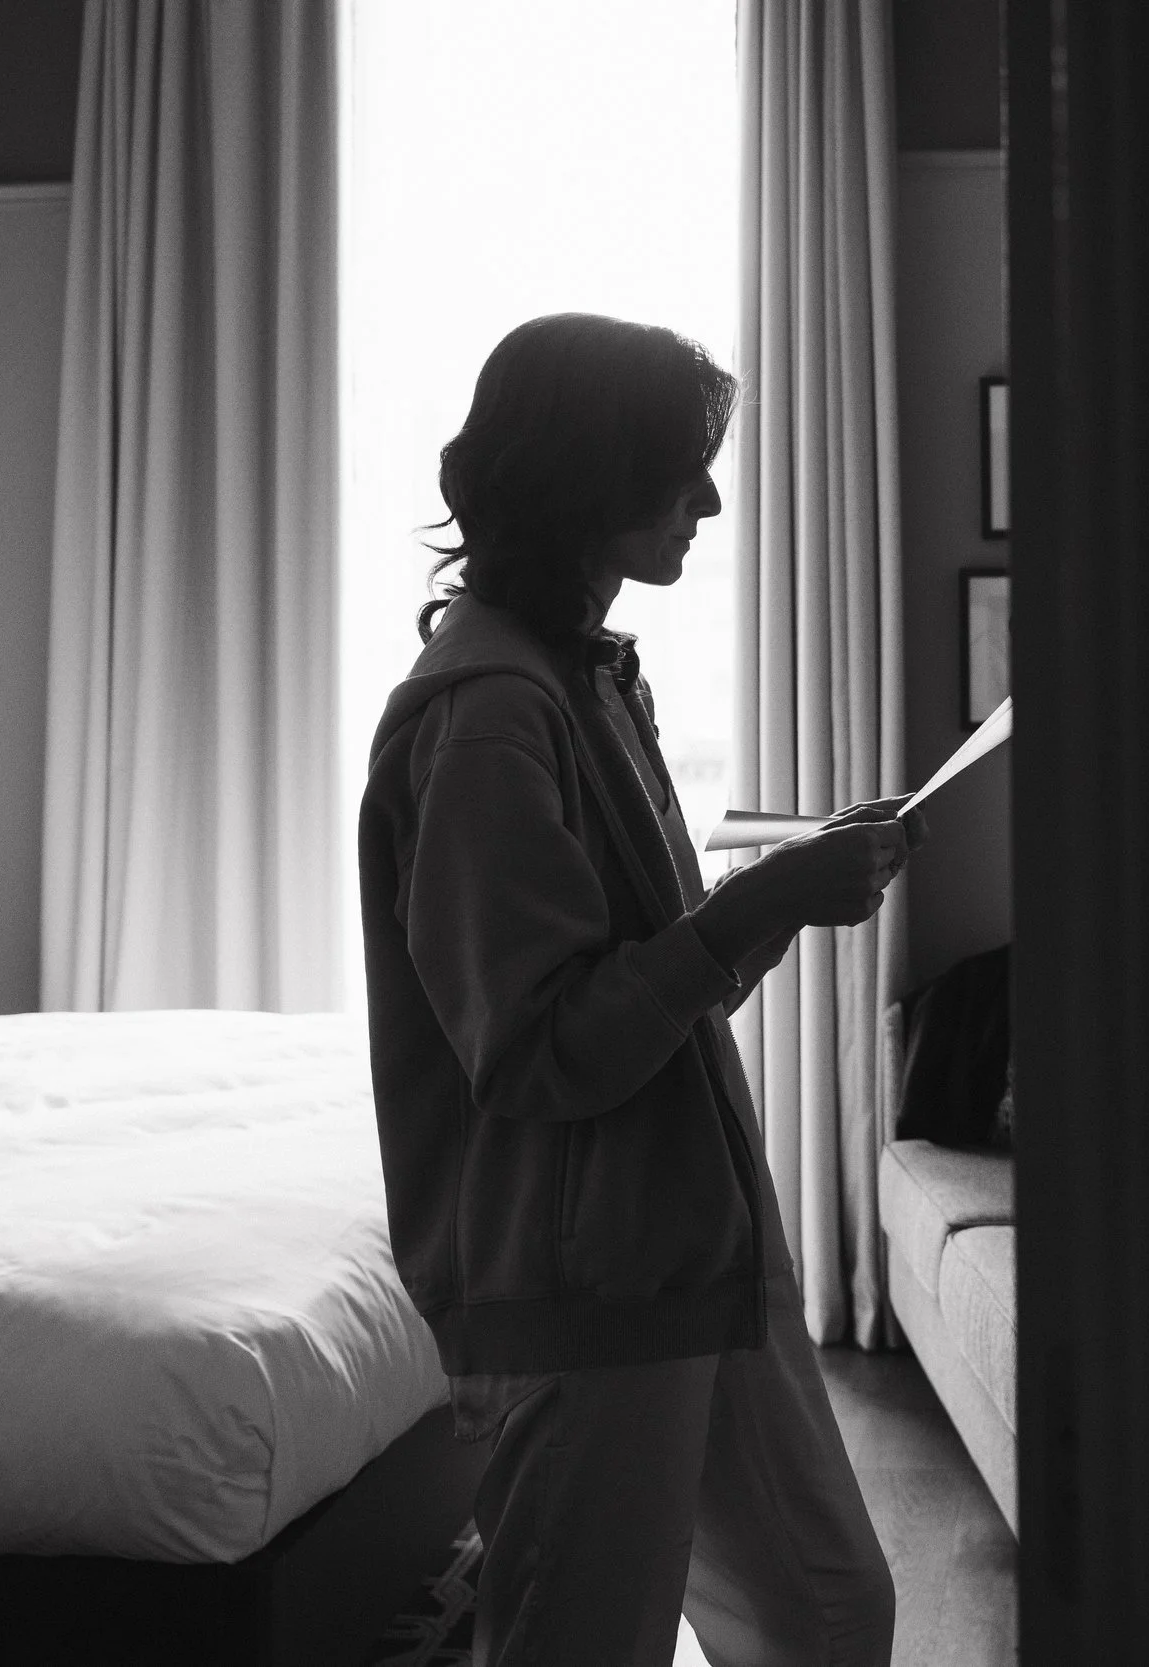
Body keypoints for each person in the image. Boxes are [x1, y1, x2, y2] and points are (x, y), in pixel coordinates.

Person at [358, 312, 912, 1667]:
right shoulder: (490, 717)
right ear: (587, 480)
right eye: (680, 470)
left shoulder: (582, 677)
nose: (708, 501)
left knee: (832, 1613)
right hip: (590, 1284)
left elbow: (651, 990)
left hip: (692, 1250)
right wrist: (762, 907)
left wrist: (774, 897)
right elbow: (541, 1050)